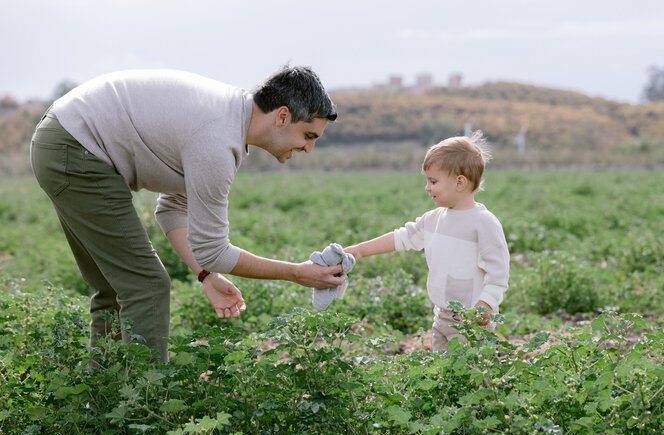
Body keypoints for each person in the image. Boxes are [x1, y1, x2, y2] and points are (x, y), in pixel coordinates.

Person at [30, 65, 346, 363]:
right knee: (147, 286)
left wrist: (206, 274)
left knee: (117, 286)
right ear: (282, 117)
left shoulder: (226, 120)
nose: (309, 149)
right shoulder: (217, 142)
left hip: (64, 139)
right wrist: (295, 272)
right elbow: (214, 250)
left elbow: (172, 210)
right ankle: (142, 407)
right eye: (308, 136)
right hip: (76, 148)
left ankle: (104, 401)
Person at [344, 132, 510, 351]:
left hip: (473, 319)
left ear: (460, 182)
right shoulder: (433, 219)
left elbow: (498, 272)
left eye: (433, 181)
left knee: (472, 375)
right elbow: (402, 237)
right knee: (443, 373)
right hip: (442, 314)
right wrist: (361, 250)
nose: (427, 187)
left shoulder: (484, 222)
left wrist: (486, 304)